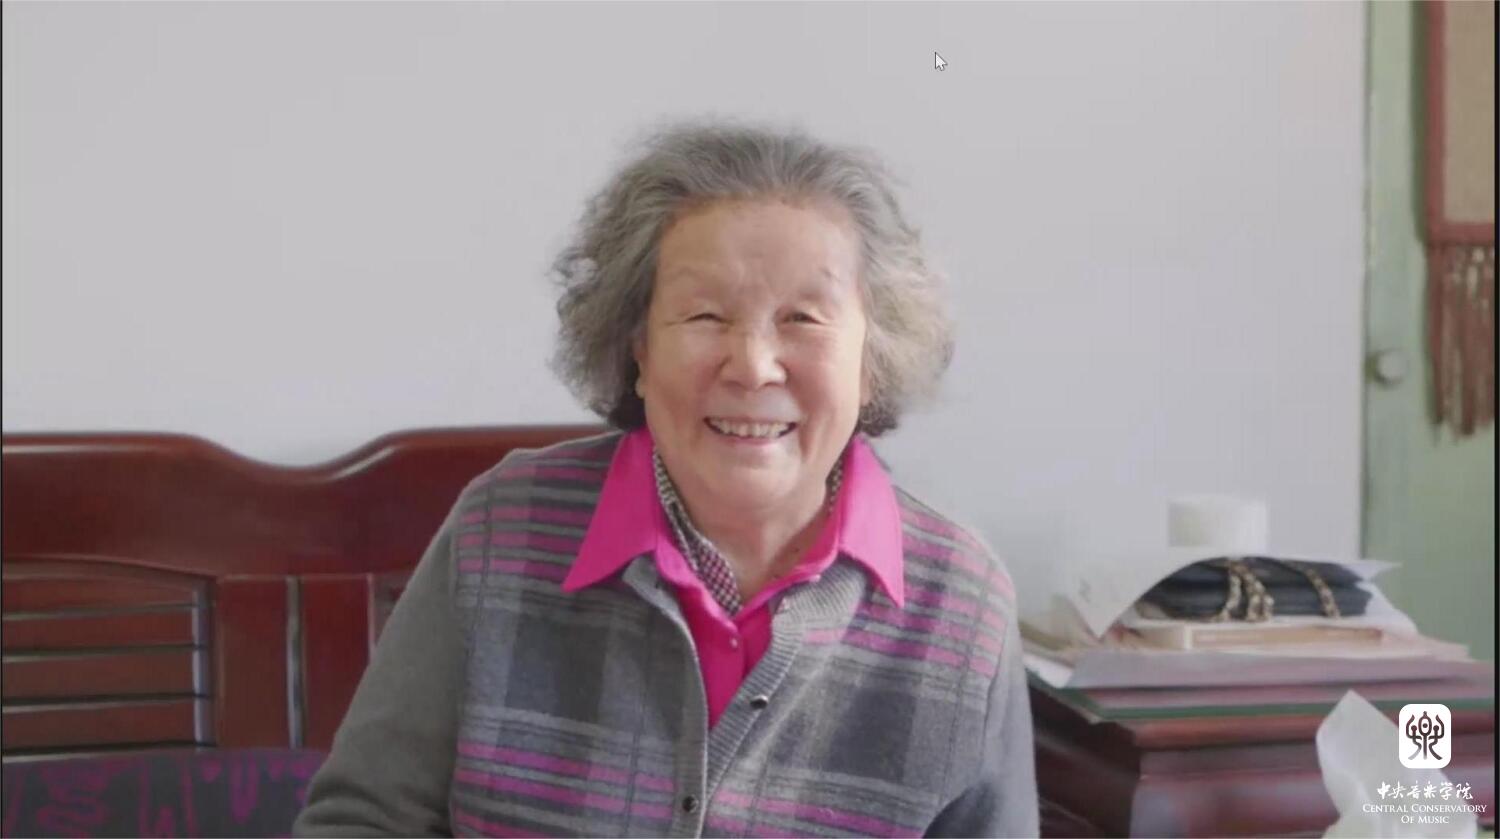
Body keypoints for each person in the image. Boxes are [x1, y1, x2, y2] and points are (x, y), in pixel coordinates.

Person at [294, 119, 1038, 838]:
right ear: (639, 351)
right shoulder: (501, 531)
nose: (753, 366)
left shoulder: (961, 603)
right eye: (706, 315)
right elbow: (360, 822)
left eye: (804, 319)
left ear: (872, 361)